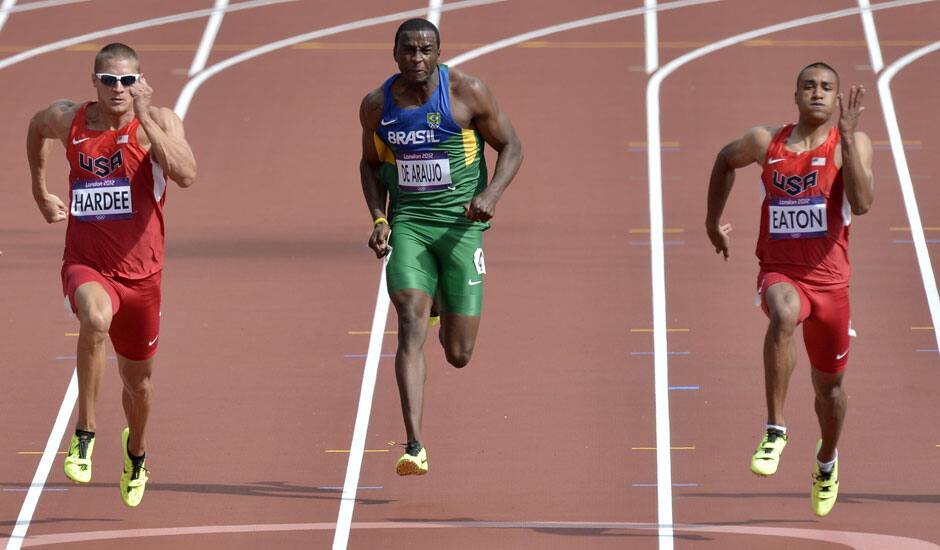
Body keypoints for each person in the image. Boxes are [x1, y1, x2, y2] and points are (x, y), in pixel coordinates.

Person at [27, 43, 197, 507]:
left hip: (143, 276)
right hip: (87, 262)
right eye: (109, 80)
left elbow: (186, 174)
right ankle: (84, 432)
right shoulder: (72, 120)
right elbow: (36, 126)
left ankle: (136, 452)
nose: (118, 89)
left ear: (140, 82)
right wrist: (41, 192)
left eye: (127, 81)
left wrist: (146, 118)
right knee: (95, 318)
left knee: (138, 386)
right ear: (95, 82)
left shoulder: (159, 120)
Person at [705, 62, 873, 516]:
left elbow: (862, 202)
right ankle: (775, 431)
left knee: (830, 393)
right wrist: (711, 222)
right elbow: (725, 159)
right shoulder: (767, 142)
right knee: (781, 313)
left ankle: (826, 461)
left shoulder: (851, 144)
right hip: (780, 271)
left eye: (826, 88)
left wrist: (850, 137)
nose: (817, 93)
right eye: (808, 86)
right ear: (795, 95)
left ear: (838, 98)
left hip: (832, 285)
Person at [359, 19, 523, 476]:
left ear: (438, 53)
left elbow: (512, 146)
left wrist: (490, 196)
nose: (416, 58)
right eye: (408, 50)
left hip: (461, 227)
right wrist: (378, 217)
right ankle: (414, 444)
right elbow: (370, 165)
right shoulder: (377, 106)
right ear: (394, 55)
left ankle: (441, 303)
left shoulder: (468, 93)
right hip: (409, 223)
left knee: (458, 354)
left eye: (425, 50)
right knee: (410, 319)